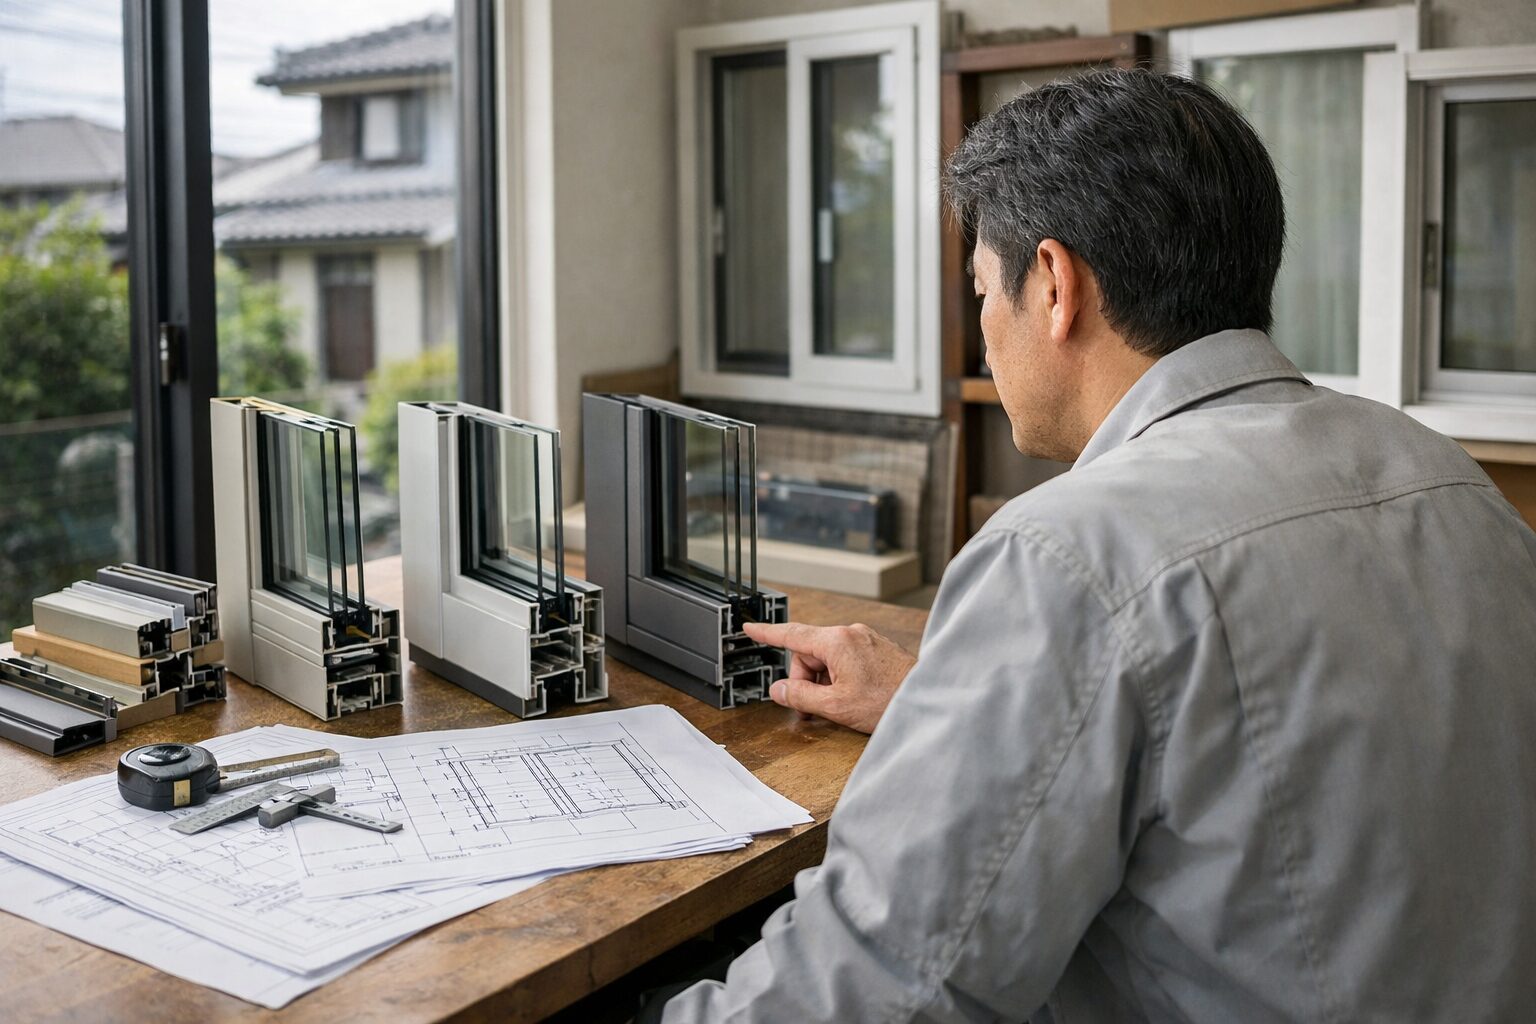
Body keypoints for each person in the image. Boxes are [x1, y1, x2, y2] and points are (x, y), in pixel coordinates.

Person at [658, 68, 1536, 1022]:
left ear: (1055, 285)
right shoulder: (1446, 478)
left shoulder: (1070, 551)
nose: (985, 331)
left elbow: (878, 993)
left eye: (984, 291)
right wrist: (949, 710)